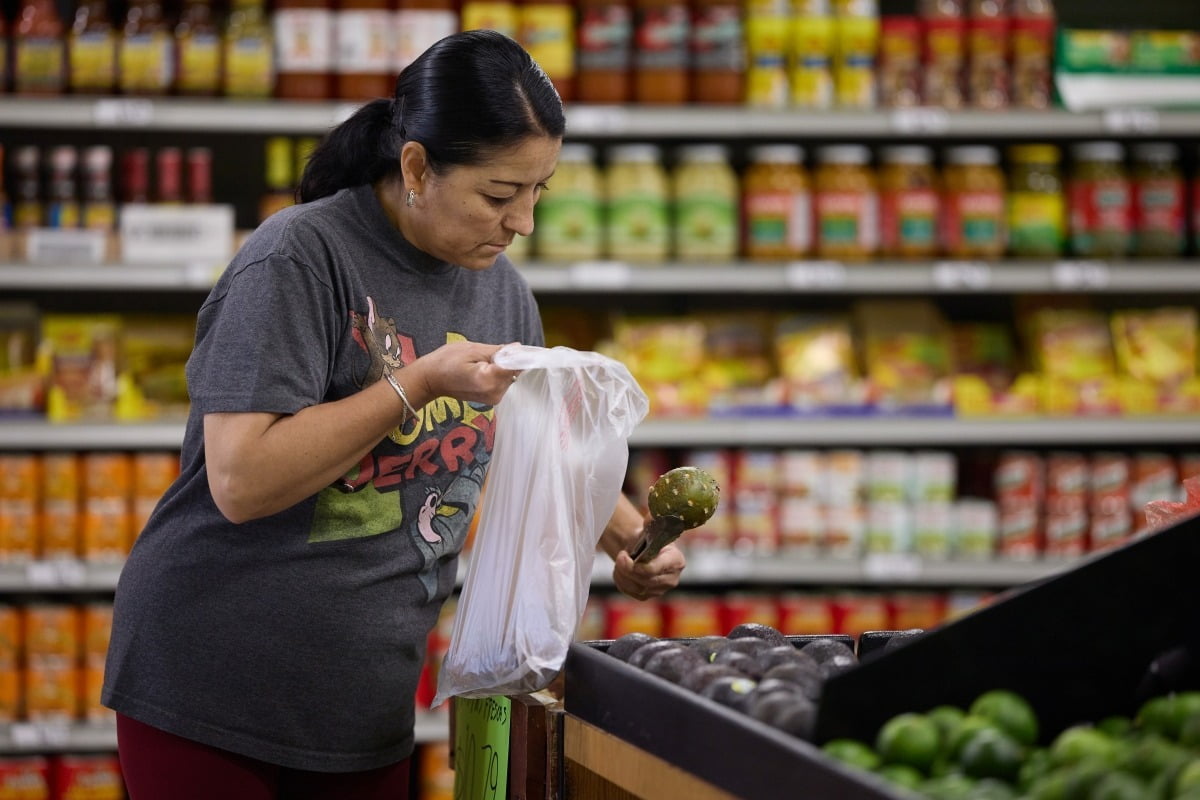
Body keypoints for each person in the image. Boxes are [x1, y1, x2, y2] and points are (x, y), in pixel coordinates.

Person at [102, 30, 686, 799]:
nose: (523, 224)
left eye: (539, 192)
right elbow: (240, 480)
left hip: (365, 702)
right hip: (213, 686)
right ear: (416, 167)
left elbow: (536, 439)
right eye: (500, 195)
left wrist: (630, 537)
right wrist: (421, 382)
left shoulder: (500, 289)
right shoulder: (300, 257)